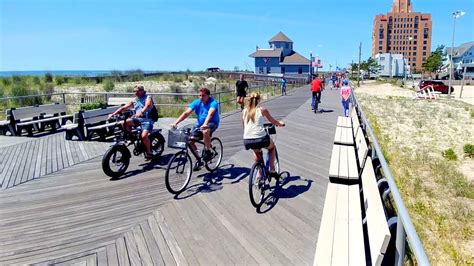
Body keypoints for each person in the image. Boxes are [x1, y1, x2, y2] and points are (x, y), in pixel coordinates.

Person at [171, 87, 220, 170]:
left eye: (203, 95)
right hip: (199, 124)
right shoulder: (197, 102)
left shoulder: (213, 102)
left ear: (208, 95)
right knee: (189, 140)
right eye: (199, 95)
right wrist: (176, 122)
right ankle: (199, 159)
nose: (201, 97)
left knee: (205, 131)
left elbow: (210, 114)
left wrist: (205, 124)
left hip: (212, 123)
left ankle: (208, 151)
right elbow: (186, 113)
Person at [242, 92, 285, 179]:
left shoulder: (244, 111)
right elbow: (273, 121)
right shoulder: (262, 110)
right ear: (259, 100)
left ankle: (259, 174)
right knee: (272, 148)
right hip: (261, 138)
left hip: (247, 139)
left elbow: (244, 126)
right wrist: (280, 124)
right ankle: (272, 170)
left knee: (256, 151)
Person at [107, 85, 154, 159]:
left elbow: (147, 105)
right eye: (134, 91)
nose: (135, 93)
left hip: (147, 120)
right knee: (124, 123)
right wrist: (113, 114)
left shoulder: (148, 97)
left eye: (137, 91)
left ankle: (149, 152)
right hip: (137, 119)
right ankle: (132, 138)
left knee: (144, 136)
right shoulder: (135, 100)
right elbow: (124, 107)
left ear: (142, 91)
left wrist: (141, 112)